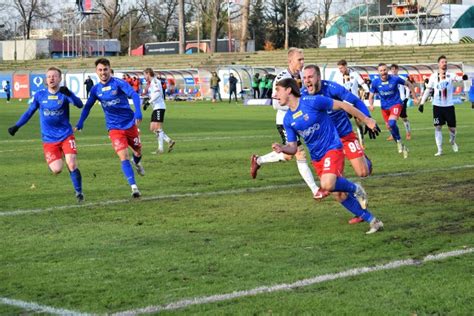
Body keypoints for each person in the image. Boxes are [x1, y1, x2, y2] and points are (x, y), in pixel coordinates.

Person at [272, 78, 383, 234]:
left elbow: (343, 105)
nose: (275, 95)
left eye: (278, 90)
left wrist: (366, 119)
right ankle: (373, 221)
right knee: (338, 194)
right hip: (317, 158)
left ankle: (356, 188)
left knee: (327, 184)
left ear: (288, 90)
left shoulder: (312, 101)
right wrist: (282, 148)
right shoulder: (288, 119)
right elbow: (292, 147)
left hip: (332, 148)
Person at [302, 64, 381, 224]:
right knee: (337, 190)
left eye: (310, 77)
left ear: (318, 77)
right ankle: (360, 211)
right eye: (304, 78)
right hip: (328, 145)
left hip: (345, 136)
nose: (307, 81)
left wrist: (368, 118)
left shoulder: (332, 88)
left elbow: (355, 102)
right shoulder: (303, 96)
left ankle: (364, 159)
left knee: (363, 172)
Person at [250, 48, 326, 200]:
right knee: (299, 152)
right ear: (290, 61)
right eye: (300, 60)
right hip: (286, 121)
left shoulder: (300, 77)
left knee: (287, 156)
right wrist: (295, 106)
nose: (302, 62)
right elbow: (276, 104)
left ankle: (258, 160)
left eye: (303, 59)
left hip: (298, 120)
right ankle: (315, 190)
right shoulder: (282, 78)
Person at [7, 67, 85, 202]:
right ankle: (61, 155)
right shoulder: (40, 95)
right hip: (49, 139)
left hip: (66, 135)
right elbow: (29, 112)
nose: (51, 78)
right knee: (57, 169)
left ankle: (79, 192)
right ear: (46, 79)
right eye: (49, 76)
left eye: (54, 76)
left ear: (60, 79)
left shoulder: (64, 94)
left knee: (71, 164)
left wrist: (70, 95)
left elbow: (79, 105)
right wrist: (17, 126)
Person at [75, 58, 144, 198]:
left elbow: (134, 94)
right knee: (123, 156)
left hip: (130, 124)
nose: (103, 72)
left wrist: (138, 111)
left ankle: (136, 162)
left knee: (138, 152)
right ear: (96, 72)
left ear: (109, 69)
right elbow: (87, 107)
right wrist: (80, 122)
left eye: (105, 69)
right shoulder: (95, 90)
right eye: (100, 70)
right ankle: (134, 187)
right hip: (114, 128)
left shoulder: (119, 83)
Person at [419, 55, 468, 156]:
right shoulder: (433, 76)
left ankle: (452, 141)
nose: (444, 64)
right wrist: (422, 103)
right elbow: (428, 89)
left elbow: (458, 78)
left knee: (452, 129)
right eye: (442, 62)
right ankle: (440, 150)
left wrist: (463, 77)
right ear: (438, 64)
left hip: (449, 106)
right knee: (438, 127)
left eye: (446, 62)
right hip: (437, 106)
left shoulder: (450, 75)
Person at [369, 63, 418, 159]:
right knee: (390, 128)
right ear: (378, 72)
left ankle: (399, 141)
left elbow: (409, 84)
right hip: (384, 108)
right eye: (381, 70)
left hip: (396, 104)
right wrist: (371, 104)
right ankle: (401, 145)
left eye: (384, 70)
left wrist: (415, 97)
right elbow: (371, 95)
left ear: (387, 70)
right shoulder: (375, 82)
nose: (383, 72)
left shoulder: (395, 79)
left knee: (392, 123)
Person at [334, 59, 370, 146]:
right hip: (345, 103)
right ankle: (348, 139)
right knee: (343, 121)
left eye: (342, 68)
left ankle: (362, 143)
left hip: (355, 101)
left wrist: (367, 91)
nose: (340, 70)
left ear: (346, 66)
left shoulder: (354, 74)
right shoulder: (337, 77)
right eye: (339, 68)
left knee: (358, 122)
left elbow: (362, 83)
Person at [143, 67, 176, 154]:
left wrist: (148, 102)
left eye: (144, 74)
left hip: (159, 107)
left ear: (148, 74)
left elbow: (158, 93)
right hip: (155, 107)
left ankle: (160, 149)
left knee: (158, 128)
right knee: (152, 128)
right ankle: (169, 141)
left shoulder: (155, 81)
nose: (144, 76)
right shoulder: (151, 83)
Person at [390, 64, 412, 140]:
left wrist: (406, 98)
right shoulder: (389, 79)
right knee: (392, 119)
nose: (393, 70)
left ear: (397, 70)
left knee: (404, 118)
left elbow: (408, 87)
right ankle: (393, 135)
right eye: (392, 69)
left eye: (395, 69)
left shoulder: (402, 78)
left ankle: (408, 133)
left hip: (401, 101)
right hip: (392, 102)